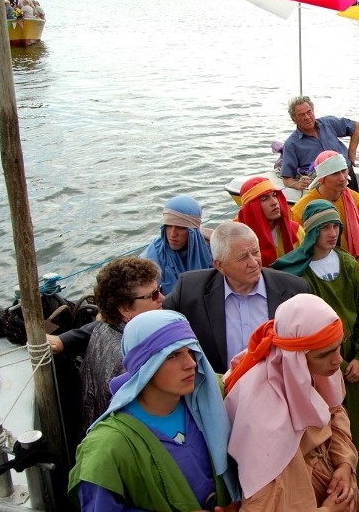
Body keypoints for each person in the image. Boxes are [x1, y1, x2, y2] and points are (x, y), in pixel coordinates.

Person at [68, 310, 240, 511]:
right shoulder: (107, 448)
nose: (191, 363)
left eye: (191, 351)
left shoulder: (217, 397)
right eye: (174, 355)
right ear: (144, 365)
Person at [272, 199, 359, 484]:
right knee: (318, 417)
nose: (332, 233)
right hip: (314, 358)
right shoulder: (298, 272)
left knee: (349, 419)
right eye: (324, 227)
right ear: (311, 230)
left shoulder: (346, 262)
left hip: (349, 352)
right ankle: (323, 476)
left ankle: (352, 470)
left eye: (335, 226)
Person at [223, 294, 359, 511]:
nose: (338, 360)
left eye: (338, 347)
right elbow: (265, 502)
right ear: (296, 357)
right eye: (326, 354)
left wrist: (344, 464)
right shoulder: (262, 412)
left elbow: (335, 413)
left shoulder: (313, 366)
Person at [164, 221, 309, 373]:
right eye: (242, 258)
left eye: (255, 253)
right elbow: (154, 320)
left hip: (280, 387)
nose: (254, 263)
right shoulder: (189, 290)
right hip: (221, 391)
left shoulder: (294, 289)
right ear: (219, 265)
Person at [81, 257, 164, 433]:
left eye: (160, 290)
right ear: (125, 309)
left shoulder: (102, 330)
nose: (162, 298)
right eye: (153, 295)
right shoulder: (131, 360)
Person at [291, 151, 359, 295]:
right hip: (320, 277)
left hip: (356, 272)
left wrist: (358, 280)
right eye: (335, 174)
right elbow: (299, 249)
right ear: (322, 179)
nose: (342, 178)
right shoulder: (302, 209)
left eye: (344, 171)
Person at [281, 96, 359, 192]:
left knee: (356, 205)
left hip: (347, 175)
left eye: (309, 112)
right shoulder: (291, 144)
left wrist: (351, 154)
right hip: (323, 186)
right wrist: (299, 185)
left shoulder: (328, 123)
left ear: (313, 111)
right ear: (294, 119)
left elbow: (356, 126)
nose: (307, 117)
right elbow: (287, 179)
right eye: (301, 115)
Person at [141, 195, 213, 295]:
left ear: (193, 232)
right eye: (169, 226)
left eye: (180, 228)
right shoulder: (152, 256)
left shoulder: (212, 253)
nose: (172, 234)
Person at [235, 176, 303, 266]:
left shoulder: (296, 230)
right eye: (264, 199)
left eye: (274, 195)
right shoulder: (237, 239)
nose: (274, 202)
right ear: (251, 208)